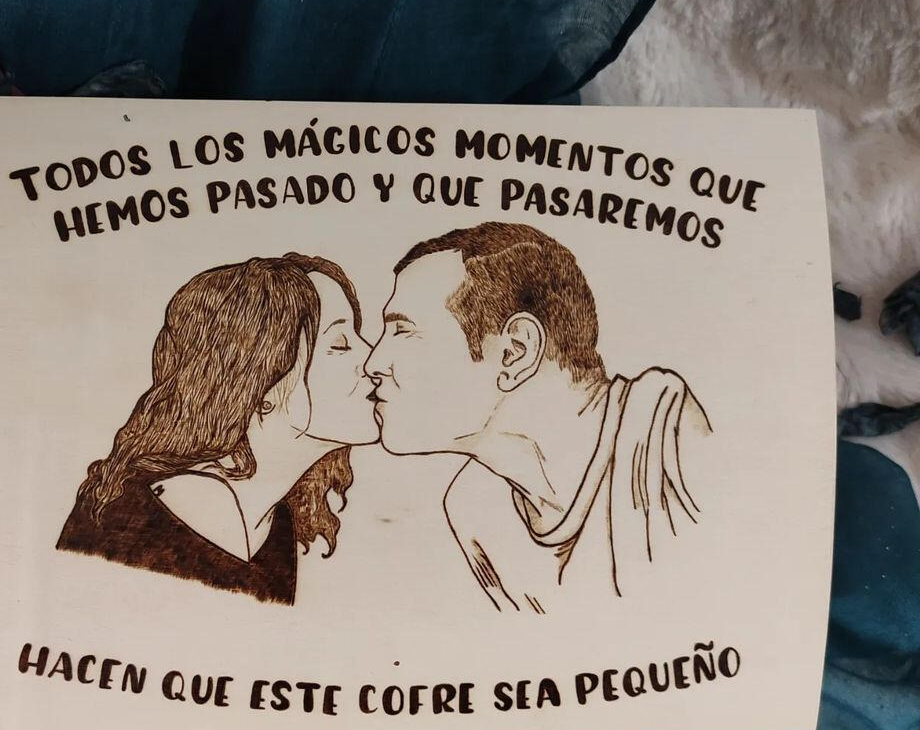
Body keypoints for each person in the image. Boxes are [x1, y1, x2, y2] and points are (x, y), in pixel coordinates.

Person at [364, 222, 710, 612]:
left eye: (403, 332)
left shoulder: (664, 427)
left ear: (514, 352)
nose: (373, 363)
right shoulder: (476, 511)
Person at [58, 254, 377, 605]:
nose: (372, 360)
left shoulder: (274, 524)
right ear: (258, 380)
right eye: (340, 345)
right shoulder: (193, 504)